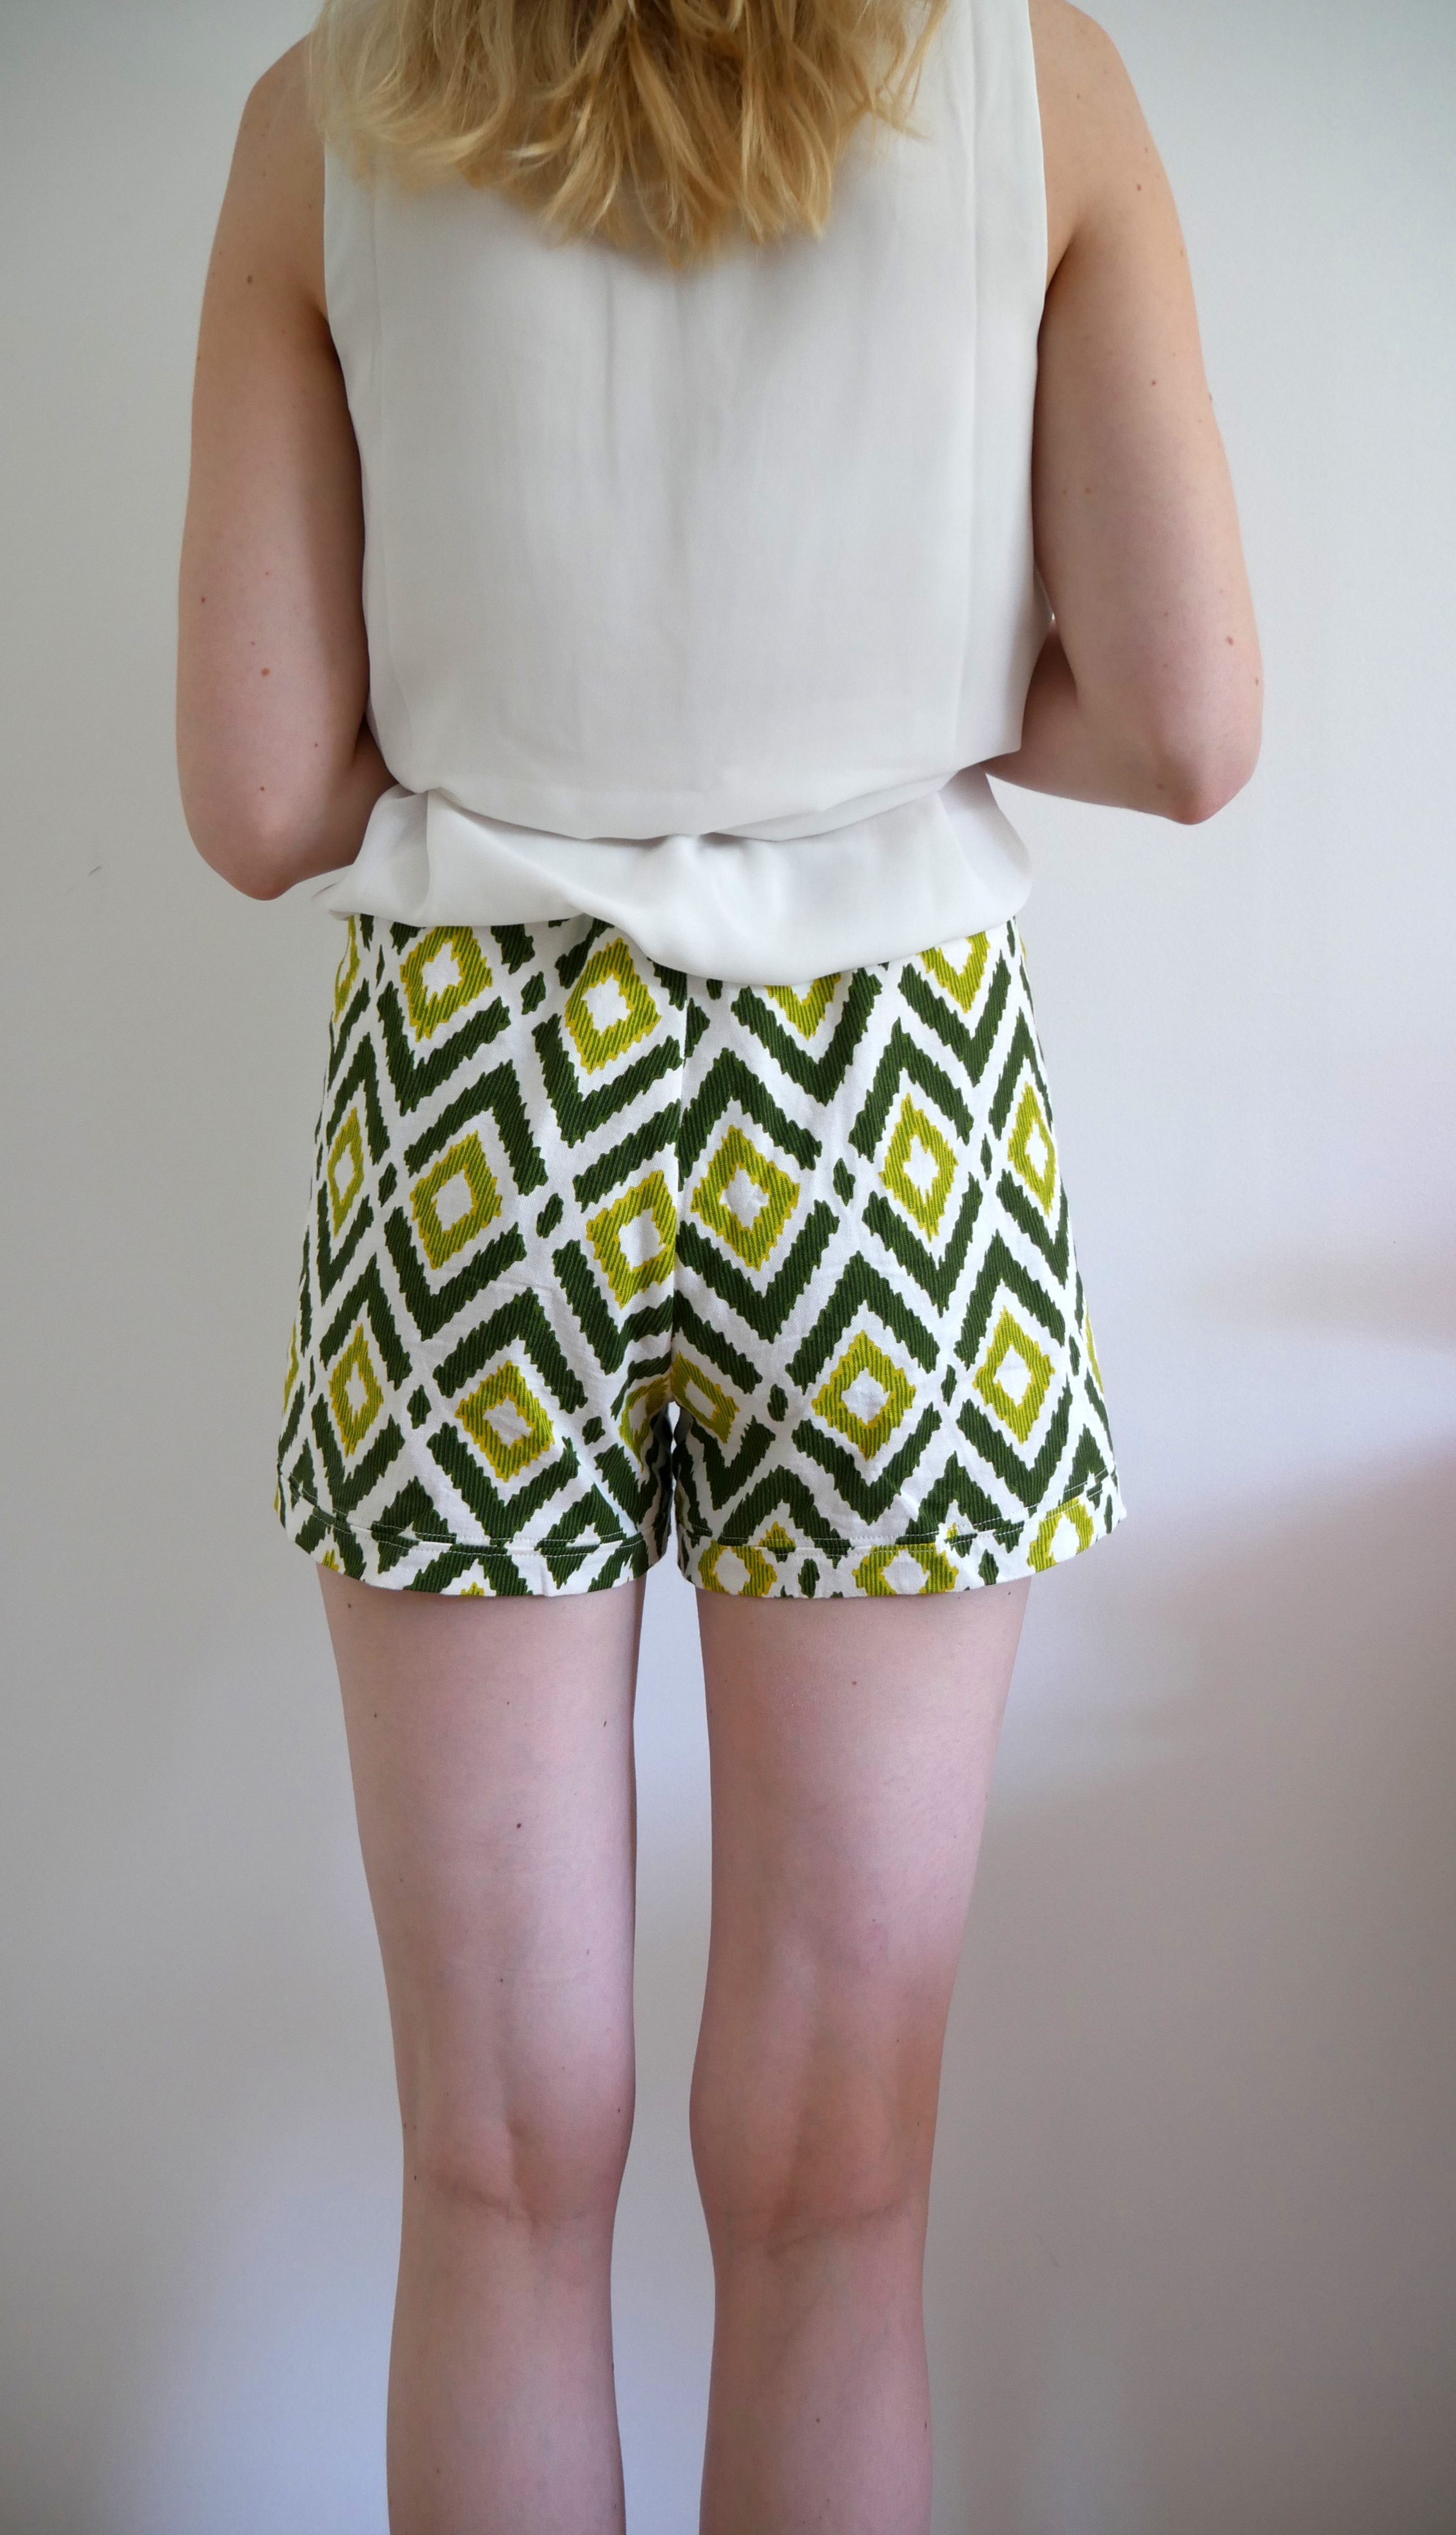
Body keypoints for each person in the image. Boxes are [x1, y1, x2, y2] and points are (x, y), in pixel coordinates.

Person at [177, 0, 1259, 2525]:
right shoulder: (1040, 80)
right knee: (836, 2173)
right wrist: (878, 718)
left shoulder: (321, 111)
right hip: (893, 1122)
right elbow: (1194, 721)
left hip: (477, 1114)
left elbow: (257, 790)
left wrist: (549, 746)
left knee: (493, 2163)